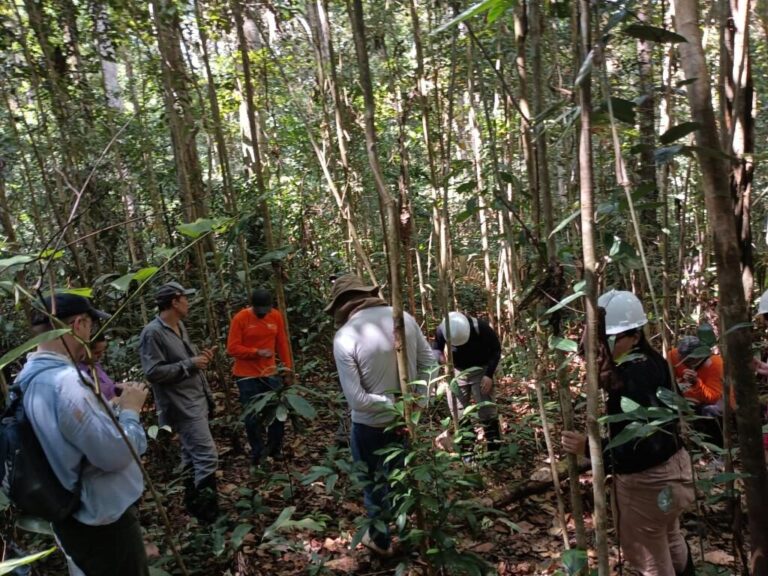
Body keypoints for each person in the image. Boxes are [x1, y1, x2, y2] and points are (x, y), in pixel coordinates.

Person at [561, 290, 695, 576]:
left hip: (648, 482)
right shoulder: (651, 360)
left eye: (614, 339)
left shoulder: (632, 379)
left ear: (635, 335)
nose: (606, 346)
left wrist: (590, 448)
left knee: (649, 556)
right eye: (602, 340)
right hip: (676, 472)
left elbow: (643, 446)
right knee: (669, 537)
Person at [17, 293, 149, 576]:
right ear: (78, 324)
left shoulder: (27, 378)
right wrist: (130, 410)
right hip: (101, 524)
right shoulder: (66, 383)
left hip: (67, 512)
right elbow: (114, 454)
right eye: (89, 326)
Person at [325, 274, 436, 557]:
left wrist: (396, 403)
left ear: (341, 304)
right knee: (402, 482)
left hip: (369, 427)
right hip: (404, 421)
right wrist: (414, 403)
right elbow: (429, 364)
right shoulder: (405, 319)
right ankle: (411, 538)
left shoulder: (345, 336)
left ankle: (382, 542)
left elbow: (358, 401)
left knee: (374, 487)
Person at [138, 281, 219, 523]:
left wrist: (199, 360)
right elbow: (152, 372)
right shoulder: (152, 333)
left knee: (191, 455)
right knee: (206, 456)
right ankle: (209, 515)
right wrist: (189, 364)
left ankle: (194, 508)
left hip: (196, 398)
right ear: (174, 301)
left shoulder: (179, 326)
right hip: (181, 404)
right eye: (186, 298)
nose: (188, 303)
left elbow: (186, 363)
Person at [226, 287, 293, 465]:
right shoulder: (241, 318)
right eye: (259, 310)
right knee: (252, 416)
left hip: (270, 373)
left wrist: (287, 370)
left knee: (277, 412)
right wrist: (256, 352)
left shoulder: (275, 316)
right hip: (246, 376)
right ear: (252, 307)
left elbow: (282, 344)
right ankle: (258, 452)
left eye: (266, 310)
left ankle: (274, 449)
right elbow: (232, 348)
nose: (263, 314)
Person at [432, 311, 502, 451]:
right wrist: (440, 359)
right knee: (457, 410)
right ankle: (468, 448)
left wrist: (488, 375)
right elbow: (436, 349)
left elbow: (496, 350)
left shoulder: (480, 327)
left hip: (481, 369)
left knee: (486, 409)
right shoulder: (442, 329)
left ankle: (495, 449)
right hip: (457, 372)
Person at [77, 334, 117, 400]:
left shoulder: (96, 365)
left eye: (103, 351)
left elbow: (109, 386)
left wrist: (120, 387)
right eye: (97, 352)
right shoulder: (79, 373)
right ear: (84, 351)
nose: (101, 355)